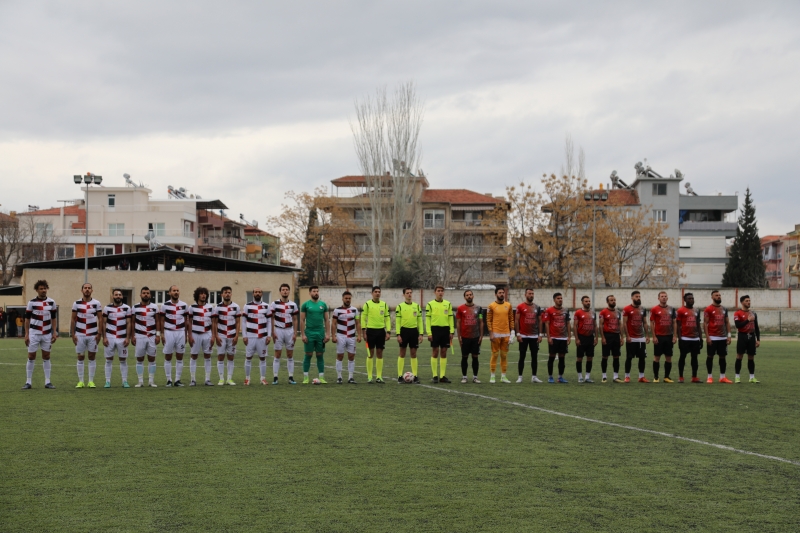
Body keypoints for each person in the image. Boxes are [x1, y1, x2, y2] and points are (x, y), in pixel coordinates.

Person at [22, 280, 58, 389]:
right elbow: (27, 320)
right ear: (37, 290)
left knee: (46, 356)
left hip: (46, 334)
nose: (43, 290)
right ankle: (28, 382)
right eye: (41, 289)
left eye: (45, 288)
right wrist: (26, 334)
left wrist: (54, 332)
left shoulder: (51, 302)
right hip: (34, 334)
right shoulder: (31, 302)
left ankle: (47, 381)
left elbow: (54, 318)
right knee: (31, 356)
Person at [70, 282, 102, 388]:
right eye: (85, 288)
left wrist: (99, 333)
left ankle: (91, 381)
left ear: (92, 290)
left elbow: (100, 319)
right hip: (80, 334)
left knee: (92, 357)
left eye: (89, 288)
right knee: (80, 357)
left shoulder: (96, 303)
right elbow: (73, 319)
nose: (87, 289)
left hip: (93, 334)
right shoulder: (76, 303)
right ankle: (81, 381)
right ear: (82, 290)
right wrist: (73, 334)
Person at [100, 289, 132, 388]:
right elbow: (103, 323)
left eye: (119, 295)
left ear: (122, 296)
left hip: (122, 337)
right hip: (110, 337)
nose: (118, 296)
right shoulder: (107, 308)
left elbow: (129, 323)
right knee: (109, 360)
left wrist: (128, 337)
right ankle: (108, 381)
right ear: (113, 296)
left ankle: (124, 381)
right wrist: (104, 337)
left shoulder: (127, 308)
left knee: (123, 360)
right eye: (116, 295)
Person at [159, 285, 189, 387]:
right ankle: (168, 380)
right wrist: (162, 334)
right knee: (168, 356)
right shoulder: (164, 305)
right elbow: (161, 320)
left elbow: (186, 321)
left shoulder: (184, 305)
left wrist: (186, 335)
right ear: (169, 293)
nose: (176, 292)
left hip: (180, 332)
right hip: (169, 332)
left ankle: (177, 380)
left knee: (180, 356)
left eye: (177, 290)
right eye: (174, 291)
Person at [131, 286, 160, 387]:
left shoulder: (155, 307)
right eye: (144, 293)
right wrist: (132, 336)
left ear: (150, 295)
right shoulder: (135, 307)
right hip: (140, 336)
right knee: (140, 359)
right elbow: (132, 322)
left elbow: (157, 321)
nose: (146, 294)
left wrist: (158, 335)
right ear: (140, 295)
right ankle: (140, 381)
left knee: (152, 358)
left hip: (151, 336)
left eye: (147, 293)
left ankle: (151, 381)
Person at [242, 287, 272, 386]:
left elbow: (269, 322)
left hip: (262, 337)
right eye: (256, 292)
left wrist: (269, 335)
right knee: (248, 357)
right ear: (253, 294)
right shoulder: (247, 306)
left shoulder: (266, 306)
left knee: (262, 358)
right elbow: (243, 321)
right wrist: (244, 335)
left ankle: (263, 378)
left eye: (259, 292)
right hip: (250, 336)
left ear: (262, 294)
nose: (257, 293)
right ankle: (247, 379)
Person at [300, 285, 330, 384]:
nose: (316, 293)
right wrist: (303, 334)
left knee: (320, 354)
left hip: (320, 333)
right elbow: (302, 320)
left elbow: (326, 320)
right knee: (308, 354)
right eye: (314, 291)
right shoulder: (305, 305)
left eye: (317, 291)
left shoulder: (323, 305)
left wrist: (328, 334)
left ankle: (321, 377)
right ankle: (305, 377)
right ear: (310, 293)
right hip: (309, 333)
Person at [361, 286, 391, 384]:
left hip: (381, 331)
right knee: (370, 354)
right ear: (372, 293)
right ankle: (370, 377)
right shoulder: (367, 304)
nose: (377, 293)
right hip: (370, 331)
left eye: (379, 292)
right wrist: (363, 331)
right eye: (375, 292)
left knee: (380, 353)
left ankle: (379, 377)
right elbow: (363, 317)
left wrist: (388, 331)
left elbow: (387, 318)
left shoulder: (384, 305)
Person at [187, 286, 216, 386]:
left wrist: (213, 336)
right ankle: (193, 380)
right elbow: (189, 322)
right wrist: (189, 335)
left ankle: (207, 379)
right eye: (201, 293)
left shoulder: (211, 307)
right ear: (197, 295)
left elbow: (213, 323)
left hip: (207, 334)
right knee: (194, 356)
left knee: (207, 356)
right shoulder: (192, 308)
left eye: (205, 294)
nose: (203, 295)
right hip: (195, 334)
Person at [271, 283, 299, 385]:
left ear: (289, 291)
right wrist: (272, 332)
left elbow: (295, 319)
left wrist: (295, 333)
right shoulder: (274, 304)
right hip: (278, 330)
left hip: (289, 331)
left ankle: (291, 377)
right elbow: (272, 318)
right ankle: (275, 377)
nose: (285, 291)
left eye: (287, 289)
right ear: (280, 291)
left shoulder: (293, 305)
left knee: (290, 354)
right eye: (283, 289)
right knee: (277, 354)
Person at [426, 285, 455, 384]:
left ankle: (442, 376)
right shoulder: (430, 304)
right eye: (438, 291)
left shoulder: (448, 304)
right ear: (435, 292)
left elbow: (451, 318)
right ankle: (435, 375)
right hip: (435, 329)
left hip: (445, 330)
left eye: (442, 291)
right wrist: (429, 333)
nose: (440, 292)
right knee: (435, 352)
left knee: (444, 352)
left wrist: (451, 331)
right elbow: (428, 320)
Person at [331, 290, 361, 384]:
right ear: (342, 299)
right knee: (340, 356)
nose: (348, 300)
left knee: (351, 356)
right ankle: (339, 377)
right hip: (341, 336)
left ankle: (350, 377)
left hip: (351, 336)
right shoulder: (337, 310)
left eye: (349, 298)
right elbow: (333, 324)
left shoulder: (354, 310)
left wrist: (359, 335)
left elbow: (358, 323)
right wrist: (333, 336)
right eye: (346, 298)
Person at [704, 290, 732, 384]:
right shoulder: (708, 309)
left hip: (722, 337)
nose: (719, 296)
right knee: (710, 356)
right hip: (712, 336)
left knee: (723, 357)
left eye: (719, 295)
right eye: (716, 295)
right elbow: (705, 323)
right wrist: (707, 337)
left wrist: (729, 336)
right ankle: (709, 377)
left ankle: (722, 377)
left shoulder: (724, 309)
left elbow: (727, 322)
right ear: (712, 297)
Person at [515, 288, 543, 383]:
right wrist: (518, 334)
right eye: (529, 293)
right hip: (523, 335)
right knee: (522, 356)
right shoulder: (520, 307)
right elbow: (516, 320)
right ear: (525, 295)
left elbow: (540, 321)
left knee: (534, 357)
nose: (531, 295)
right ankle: (520, 377)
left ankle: (534, 377)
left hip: (534, 336)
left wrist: (540, 334)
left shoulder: (537, 307)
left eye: (532, 293)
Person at [395, 287, 423, 383]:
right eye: (407, 293)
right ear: (404, 295)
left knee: (413, 354)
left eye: (411, 293)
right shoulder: (400, 306)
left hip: (414, 332)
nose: (409, 294)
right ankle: (399, 376)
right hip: (404, 331)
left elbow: (420, 321)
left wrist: (421, 334)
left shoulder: (417, 306)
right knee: (402, 353)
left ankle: (415, 376)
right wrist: (398, 334)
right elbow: (398, 322)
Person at [214, 286, 241, 386]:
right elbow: (215, 323)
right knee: (220, 357)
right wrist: (216, 335)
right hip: (221, 335)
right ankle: (221, 379)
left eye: (229, 292)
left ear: (231, 294)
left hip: (232, 335)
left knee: (231, 357)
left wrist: (237, 335)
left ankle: (229, 378)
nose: (227, 294)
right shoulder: (217, 307)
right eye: (225, 292)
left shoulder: (236, 307)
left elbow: (238, 322)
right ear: (222, 294)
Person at [455, 289, 483, 384]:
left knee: (475, 357)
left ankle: (475, 377)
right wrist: (459, 337)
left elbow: (481, 322)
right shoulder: (460, 309)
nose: (469, 296)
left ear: (473, 296)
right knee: (464, 357)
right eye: (467, 295)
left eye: (470, 294)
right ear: (464, 297)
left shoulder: (479, 308)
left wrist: (481, 335)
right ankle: (464, 377)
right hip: (465, 337)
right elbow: (458, 323)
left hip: (475, 336)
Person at [542, 292, 571, 384]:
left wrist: (569, 336)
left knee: (562, 357)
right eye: (558, 298)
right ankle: (550, 377)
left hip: (563, 338)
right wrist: (548, 337)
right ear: (554, 300)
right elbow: (547, 324)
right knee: (552, 357)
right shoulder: (549, 310)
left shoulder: (566, 310)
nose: (560, 300)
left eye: (561, 298)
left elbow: (568, 323)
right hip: (554, 337)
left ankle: (560, 377)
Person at [622, 290, 650, 383]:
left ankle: (641, 377)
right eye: (636, 296)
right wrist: (627, 336)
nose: (638, 298)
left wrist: (647, 335)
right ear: (632, 298)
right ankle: (627, 376)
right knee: (629, 357)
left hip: (641, 337)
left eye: (639, 296)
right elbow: (624, 323)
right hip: (631, 338)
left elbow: (645, 323)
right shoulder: (626, 309)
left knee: (642, 358)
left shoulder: (643, 309)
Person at [486, 287, 513, 383]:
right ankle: (492, 376)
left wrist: (512, 333)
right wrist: (491, 333)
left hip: (506, 334)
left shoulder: (508, 305)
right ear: (496, 294)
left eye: (503, 292)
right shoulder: (491, 306)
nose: (502, 294)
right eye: (500, 292)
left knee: (504, 355)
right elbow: (488, 320)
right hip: (495, 334)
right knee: (495, 355)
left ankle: (503, 376)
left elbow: (511, 319)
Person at [650, 291, 677, 383]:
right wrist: (653, 336)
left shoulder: (672, 309)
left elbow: (674, 322)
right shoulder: (654, 309)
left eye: (665, 296)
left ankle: (666, 377)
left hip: (669, 336)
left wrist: (675, 335)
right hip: (659, 336)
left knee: (668, 357)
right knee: (657, 357)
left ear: (667, 298)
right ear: (658, 298)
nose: (664, 298)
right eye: (662, 296)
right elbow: (652, 323)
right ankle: (656, 377)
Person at [675, 292, 703, 383]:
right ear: (685, 300)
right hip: (685, 338)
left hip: (695, 338)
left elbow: (698, 325)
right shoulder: (680, 311)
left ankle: (694, 377)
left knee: (694, 358)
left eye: (692, 298)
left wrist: (701, 338)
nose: (691, 300)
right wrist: (680, 339)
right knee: (682, 357)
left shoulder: (697, 310)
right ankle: (681, 377)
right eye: (689, 298)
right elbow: (678, 325)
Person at [733, 295, 760, 384]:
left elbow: (756, 327)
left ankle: (752, 377)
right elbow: (738, 325)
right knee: (739, 356)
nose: (749, 302)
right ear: (742, 302)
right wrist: (747, 320)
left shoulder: (753, 313)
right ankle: (737, 377)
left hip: (751, 337)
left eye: (749, 300)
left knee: (751, 357)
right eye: (746, 301)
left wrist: (758, 339)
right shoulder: (737, 313)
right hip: (742, 336)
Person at [572, 295, 597, 383]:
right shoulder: (578, 312)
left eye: (589, 301)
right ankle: (580, 377)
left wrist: (596, 338)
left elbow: (595, 325)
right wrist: (577, 339)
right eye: (586, 301)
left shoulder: (593, 313)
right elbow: (575, 326)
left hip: (590, 338)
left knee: (590, 358)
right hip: (581, 337)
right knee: (579, 358)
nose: (588, 303)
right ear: (582, 302)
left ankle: (587, 376)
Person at [598, 295, 623, 383]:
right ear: (607, 302)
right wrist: (603, 337)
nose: (613, 301)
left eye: (614, 300)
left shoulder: (618, 312)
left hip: (616, 336)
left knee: (616, 356)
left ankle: (615, 376)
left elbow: (620, 324)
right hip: (607, 336)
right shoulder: (603, 312)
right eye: (611, 300)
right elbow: (600, 325)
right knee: (605, 356)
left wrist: (622, 337)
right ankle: (604, 376)